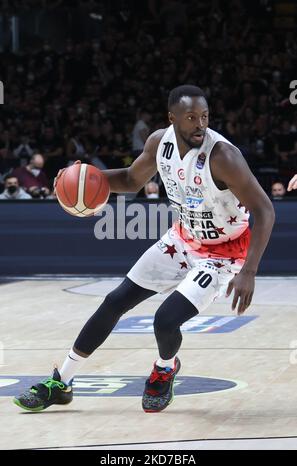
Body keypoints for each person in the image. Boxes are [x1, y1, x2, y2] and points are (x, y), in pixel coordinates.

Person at [14, 85, 275, 413]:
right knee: (114, 301)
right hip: (181, 239)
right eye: (191, 117)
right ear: (172, 118)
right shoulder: (159, 143)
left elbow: (265, 210)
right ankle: (61, 382)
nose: (199, 124)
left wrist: (249, 271)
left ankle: (165, 369)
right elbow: (129, 179)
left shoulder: (223, 156)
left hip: (223, 253)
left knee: (165, 321)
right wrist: (80, 179)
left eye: (204, 117)